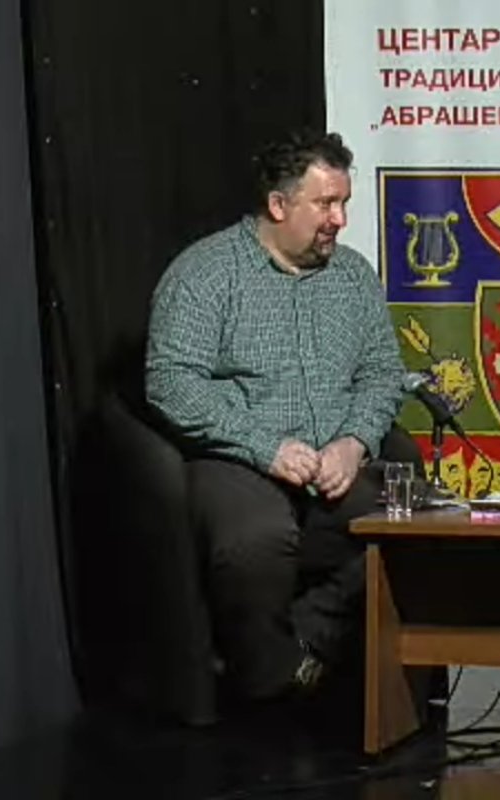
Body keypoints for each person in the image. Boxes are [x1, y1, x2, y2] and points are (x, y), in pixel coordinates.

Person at [145, 129, 405, 704]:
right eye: (326, 204)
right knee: (255, 541)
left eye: (344, 203)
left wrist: (354, 442)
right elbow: (170, 382)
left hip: (335, 461)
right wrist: (265, 447)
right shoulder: (205, 273)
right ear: (279, 205)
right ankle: (267, 695)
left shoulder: (353, 276)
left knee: (417, 527)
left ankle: (300, 648)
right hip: (238, 459)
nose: (339, 219)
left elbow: (383, 373)